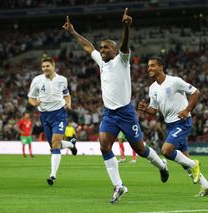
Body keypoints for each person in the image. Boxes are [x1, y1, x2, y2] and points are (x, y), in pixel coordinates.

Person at [63, 8, 168, 204]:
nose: (101, 50)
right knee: (104, 146)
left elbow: (125, 45)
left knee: (140, 149)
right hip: (109, 113)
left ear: (114, 50)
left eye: (105, 48)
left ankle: (162, 166)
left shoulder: (122, 60)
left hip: (126, 112)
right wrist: (73, 32)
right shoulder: (102, 63)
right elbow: (87, 47)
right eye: (101, 48)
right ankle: (119, 185)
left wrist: (126, 28)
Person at [138, 56, 208, 197]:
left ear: (161, 67)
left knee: (166, 151)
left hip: (182, 122)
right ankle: (206, 186)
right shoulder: (152, 88)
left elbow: (195, 92)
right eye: (148, 66)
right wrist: (146, 109)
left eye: (153, 65)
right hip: (170, 125)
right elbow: (154, 110)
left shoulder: (174, 81)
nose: (149, 68)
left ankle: (194, 164)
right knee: (184, 160)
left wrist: (187, 110)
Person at [28, 55, 77, 186]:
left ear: (53, 66)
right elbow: (31, 98)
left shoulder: (62, 80)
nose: (45, 68)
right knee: (54, 145)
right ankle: (71, 144)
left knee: (55, 143)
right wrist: (34, 103)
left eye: (47, 66)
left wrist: (68, 103)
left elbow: (66, 94)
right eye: (43, 66)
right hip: (44, 115)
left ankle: (53, 175)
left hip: (59, 114)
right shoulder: (37, 80)